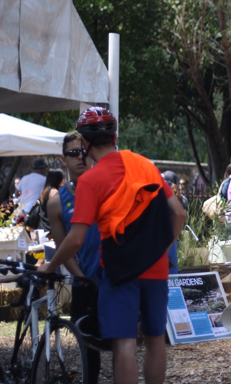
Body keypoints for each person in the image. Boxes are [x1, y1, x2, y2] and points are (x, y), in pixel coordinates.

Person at [39, 107, 186, 384]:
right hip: (156, 268)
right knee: (155, 338)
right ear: (115, 136)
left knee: (124, 344)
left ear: (84, 143)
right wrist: (160, 249)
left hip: (118, 271)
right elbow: (179, 214)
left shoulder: (90, 181)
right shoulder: (144, 164)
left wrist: (51, 264)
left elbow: (76, 238)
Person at [45, 131, 104, 384]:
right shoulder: (57, 202)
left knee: (123, 342)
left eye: (83, 151)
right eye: (73, 153)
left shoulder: (106, 188)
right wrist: (81, 279)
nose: (80, 157)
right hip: (84, 281)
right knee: (88, 346)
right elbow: (62, 247)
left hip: (113, 275)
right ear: (63, 159)